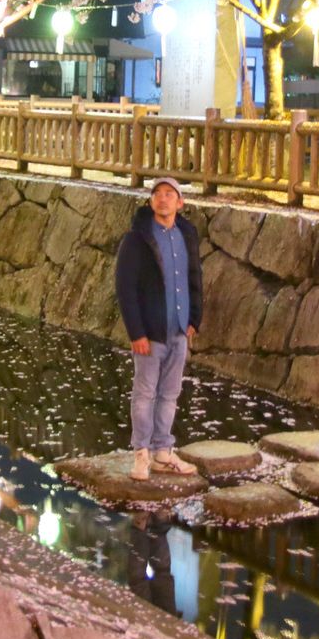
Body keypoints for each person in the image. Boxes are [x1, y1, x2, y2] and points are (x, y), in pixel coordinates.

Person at [114, 176, 203, 482]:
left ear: (180, 202)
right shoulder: (137, 239)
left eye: (169, 194)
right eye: (157, 194)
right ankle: (141, 454)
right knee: (144, 393)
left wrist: (194, 319)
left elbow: (194, 279)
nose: (163, 199)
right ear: (151, 202)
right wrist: (136, 332)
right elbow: (125, 288)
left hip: (179, 331)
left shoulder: (186, 235)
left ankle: (163, 451)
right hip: (150, 334)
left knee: (170, 393)